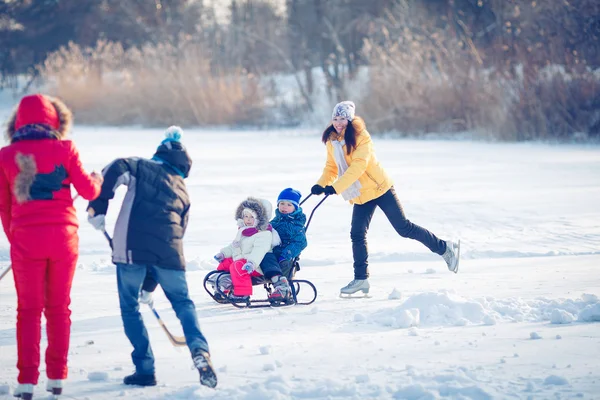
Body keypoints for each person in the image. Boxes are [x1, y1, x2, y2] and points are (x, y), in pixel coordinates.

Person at [86, 126, 217, 389]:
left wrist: (98, 207)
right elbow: (178, 232)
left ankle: (145, 369)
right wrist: (150, 286)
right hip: (171, 258)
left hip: (131, 251)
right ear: (183, 168)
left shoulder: (139, 166)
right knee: (182, 303)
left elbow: (113, 168)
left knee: (130, 307)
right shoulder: (183, 191)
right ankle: (200, 350)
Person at [0, 94, 103, 399]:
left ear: (17, 122)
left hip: (25, 242)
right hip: (63, 241)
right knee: (59, 309)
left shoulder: (5, 156)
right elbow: (87, 191)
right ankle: (56, 378)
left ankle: (26, 382)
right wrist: (96, 179)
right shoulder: (65, 149)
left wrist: (16, 237)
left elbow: (4, 207)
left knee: (28, 311)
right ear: (55, 121)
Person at [311, 101, 460, 296]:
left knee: (404, 228)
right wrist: (321, 184)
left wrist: (336, 187)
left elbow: (358, 167)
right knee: (357, 233)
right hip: (361, 194)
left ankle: (445, 248)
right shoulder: (332, 141)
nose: (338, 123)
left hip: (380, 188)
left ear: (350, 119)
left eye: (342, 119)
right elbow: (331, 168)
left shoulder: (361, 137)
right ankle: (361, 279)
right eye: (335, 118)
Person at [213, 197, 291, 304]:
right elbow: (234, 246)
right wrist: (223, 253)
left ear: (260, 219)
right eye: (246, 216)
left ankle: (242, 293)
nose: (248, 220)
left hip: (255, 265)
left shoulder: (264, 234)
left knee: (237, 266)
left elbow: (259, 251)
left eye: (252, 217)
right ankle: (225, 284)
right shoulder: (244, 231)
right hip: (243, 259)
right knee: (225, 263)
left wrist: (251, 263)